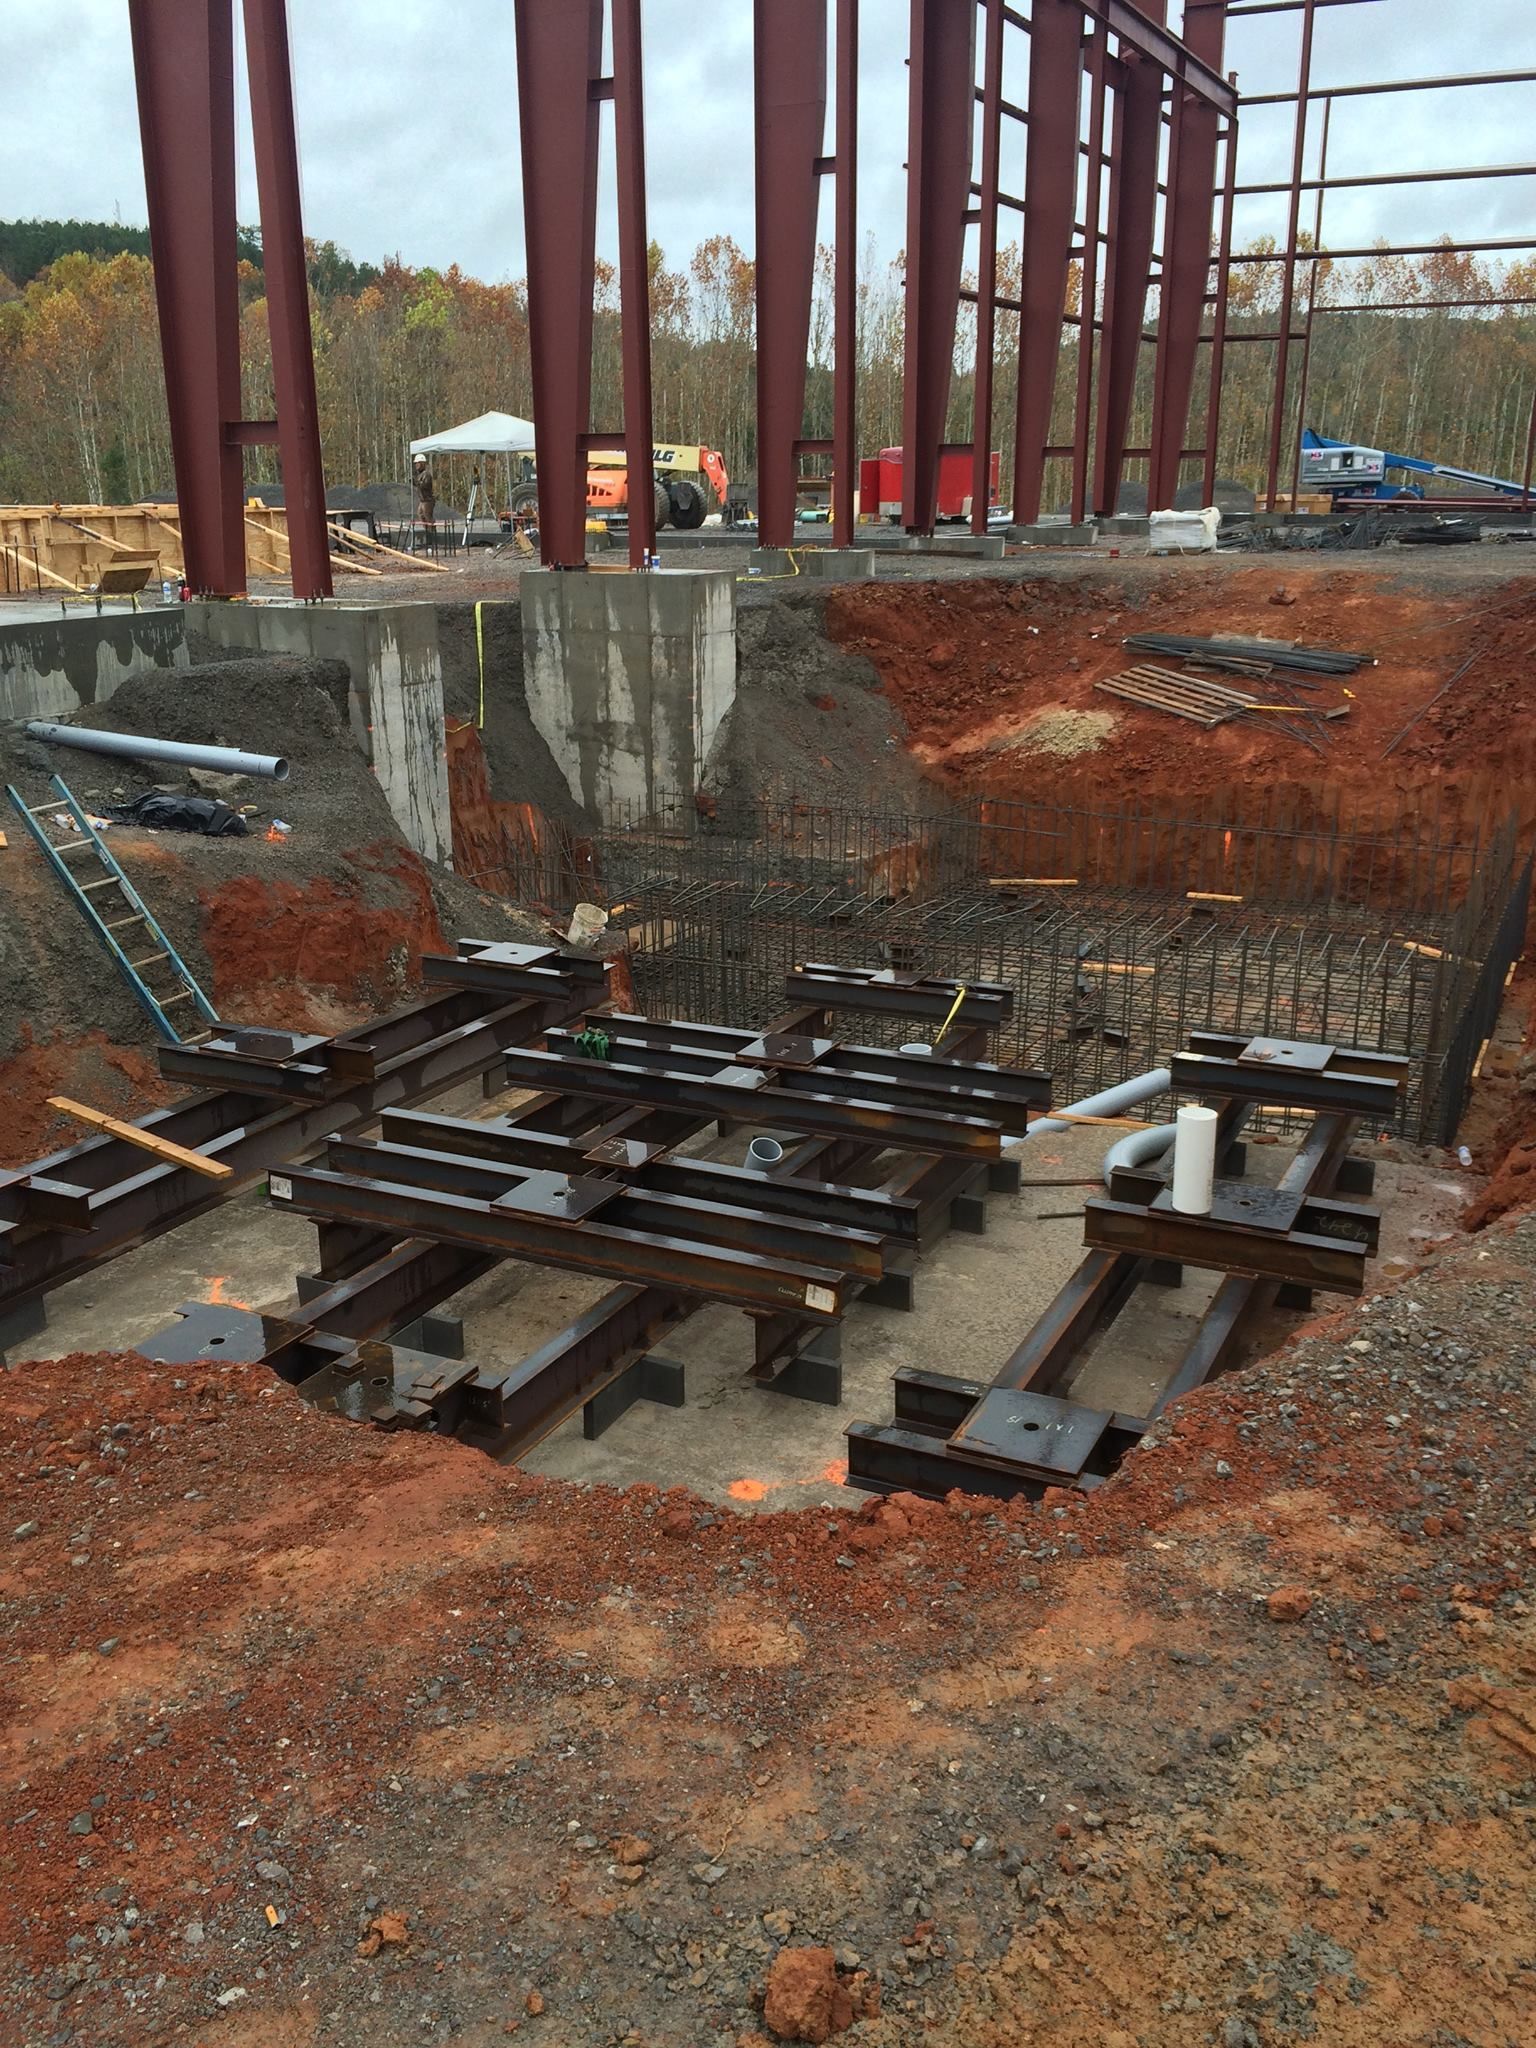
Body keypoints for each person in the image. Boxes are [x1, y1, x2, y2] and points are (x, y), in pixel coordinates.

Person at [413, 454, 436, 536]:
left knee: (427, 517)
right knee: (421, 515)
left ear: (422, 464)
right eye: (416, 463)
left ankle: (432, 534)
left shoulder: (426, 474)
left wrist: (416, 483)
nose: (416, 465)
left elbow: (425, 486)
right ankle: (427, 532)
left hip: (428, 500)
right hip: (422, 500)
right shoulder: (420, 474)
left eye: (418, 463)